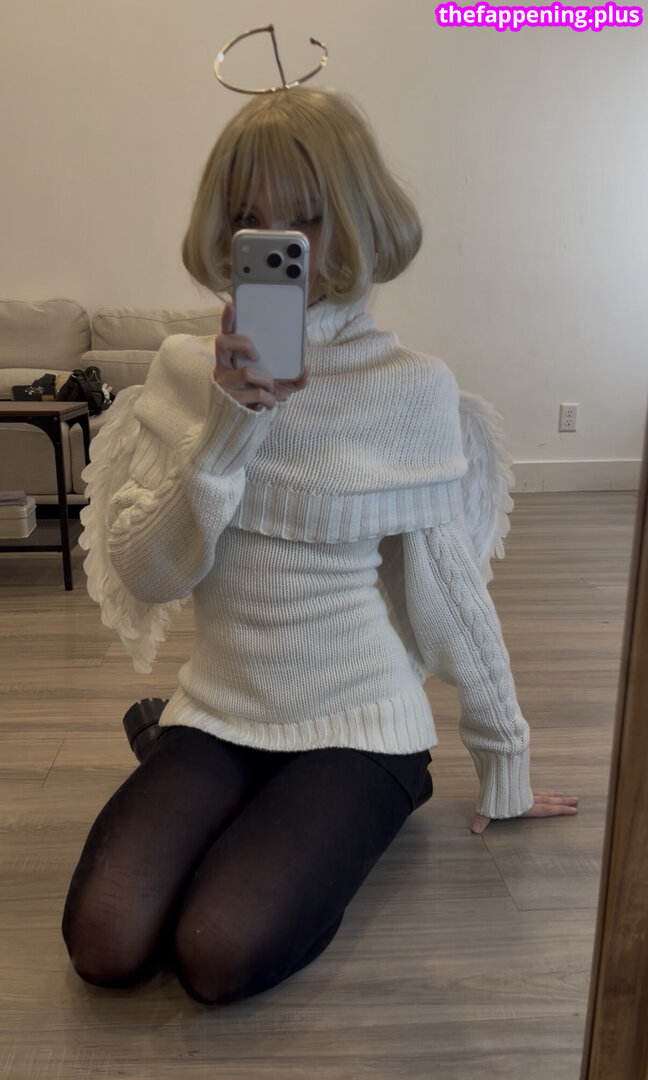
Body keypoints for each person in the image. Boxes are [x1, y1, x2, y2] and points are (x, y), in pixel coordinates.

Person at [62, 86, 578, 1006]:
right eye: (248, 217)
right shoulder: (183, 372)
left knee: (216, 952)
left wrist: (505, 756)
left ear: (357, 219)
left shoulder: (411, 388)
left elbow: (447, 591)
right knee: (105, 940)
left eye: (304, 216)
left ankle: (377, 796)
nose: (277, 241)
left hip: (358, 721)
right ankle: (211, 773)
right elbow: (151, 572)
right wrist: (226, 435)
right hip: (221, 708)